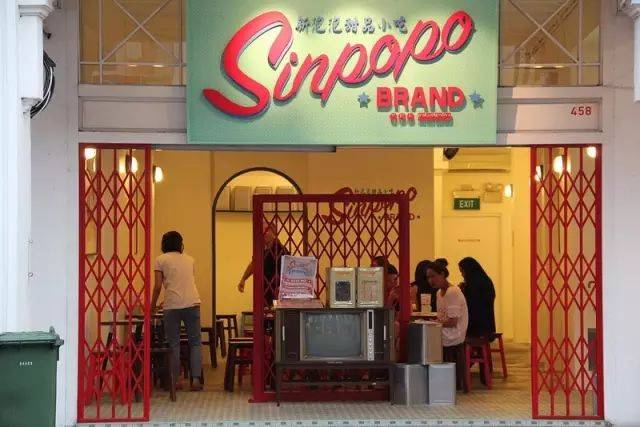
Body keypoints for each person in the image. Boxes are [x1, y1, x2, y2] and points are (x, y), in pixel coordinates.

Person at [151, 231, 203, 391]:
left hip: (172, 306)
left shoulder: (160, 260)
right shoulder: (190, 259)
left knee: (173, 343)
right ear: (180, 244)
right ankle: (195, 380)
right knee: (195, 342)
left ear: (164, 244)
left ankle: (176, 381)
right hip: (192, 302)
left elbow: (158, 286)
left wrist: (152, 306)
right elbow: (185, 282)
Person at [426, 258, 468, 390]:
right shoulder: (439, 293)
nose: (430, 280)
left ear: (442, 274)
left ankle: (435, 377)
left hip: (455, 332)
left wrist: (434, 324)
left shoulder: (452, 292)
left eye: (433, 276)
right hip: (444, 328)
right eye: (428, 277)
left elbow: (452, 322)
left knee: (426, 337)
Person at [238, 224, 290, 307]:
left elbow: (288, 270)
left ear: (274, 233)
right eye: (263, 231)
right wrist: (243, 279)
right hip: (263, 291)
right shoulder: (262, 250)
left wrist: (282, 286)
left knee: (274, 313)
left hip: (276, 291)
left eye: (267, 231)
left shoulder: (280, 250)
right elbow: (254, 264)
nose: (264, 234)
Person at [458, 257, 496, 339]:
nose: (462, 274)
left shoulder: (477, 283)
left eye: (462, 271)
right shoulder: (484, 280)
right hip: (486, 326)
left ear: (468, 270)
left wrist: (463, 291)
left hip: (479, 326)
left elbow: (473, 304)